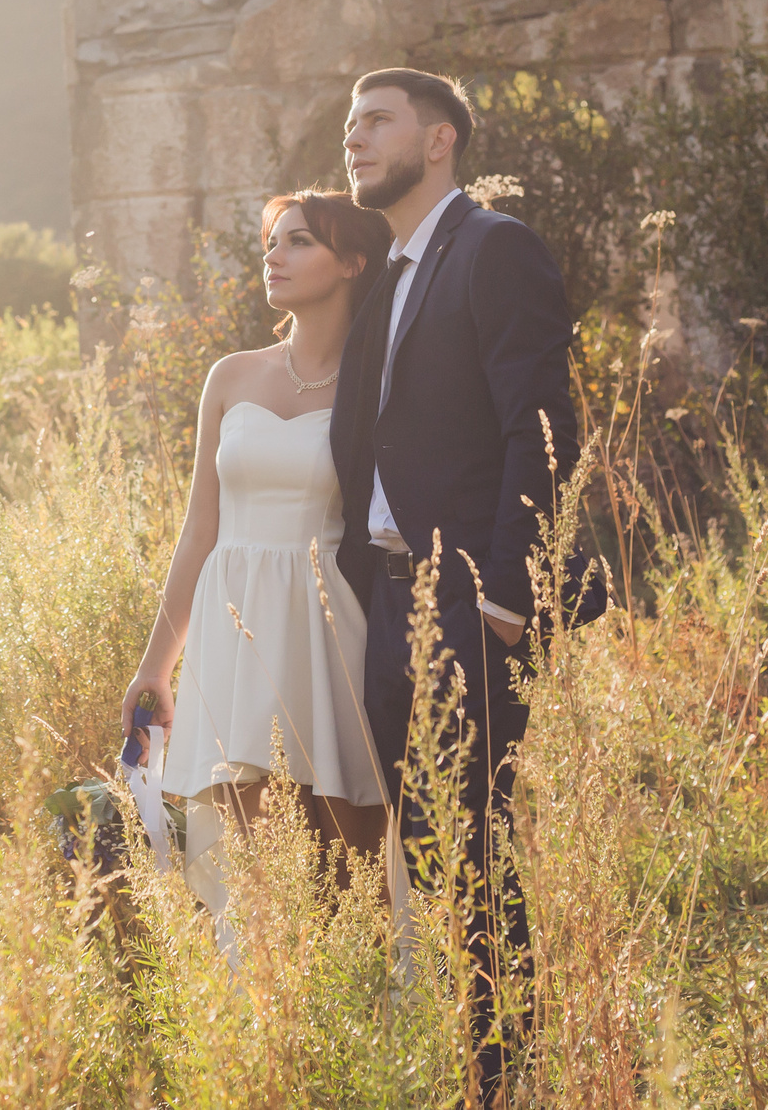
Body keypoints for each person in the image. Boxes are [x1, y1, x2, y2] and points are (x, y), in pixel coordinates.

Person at [331, 66, 581, 1093]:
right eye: (347, 125)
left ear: (438, 141)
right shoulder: (383, 275)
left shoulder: (494, 249)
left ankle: (504, 1074)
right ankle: (456, 1057)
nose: (353, 139)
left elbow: (542, 424)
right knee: (419, 849)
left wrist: (507, 598)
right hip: (384, 600)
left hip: (469, 602)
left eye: (376, 122)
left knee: (474, 841)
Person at [119, 189, 398, 924]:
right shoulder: (231, 375)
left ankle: (359, 1013)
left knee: (346, 863)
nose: (274, 254)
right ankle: (263, 1014)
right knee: (252, 863)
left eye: (299, 240)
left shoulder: (378, 387)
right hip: (231, 627)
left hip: (326, 626)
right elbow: (197, 531)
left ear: (352, 262)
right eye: (273, 239)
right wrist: (156, 666)